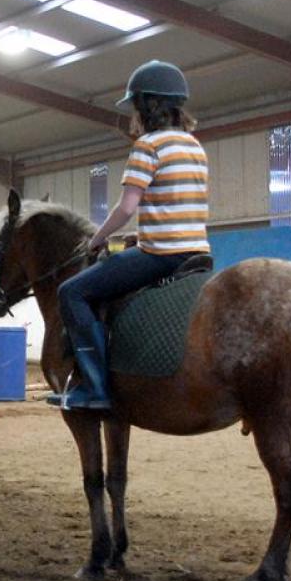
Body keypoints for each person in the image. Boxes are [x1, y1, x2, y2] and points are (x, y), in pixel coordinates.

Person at [48, 60, 211, 411]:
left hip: (161, 254)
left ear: (146, 106)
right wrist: (142, 233)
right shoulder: (194, 146)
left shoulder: (148, 146)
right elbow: (175, 205)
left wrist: (97, 239)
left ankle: (94, 386)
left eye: (135, 106)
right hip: (197, 251)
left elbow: (126, 207)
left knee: (71, 291)